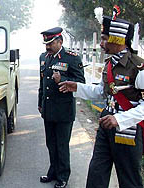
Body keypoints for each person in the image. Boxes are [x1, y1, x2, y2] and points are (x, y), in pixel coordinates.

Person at [59, 6, 144, 188]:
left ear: (117, 39)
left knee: (129, 179)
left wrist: (119, 119)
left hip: (127, 130)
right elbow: (101, 92)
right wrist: (77, 87)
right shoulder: (109, 64)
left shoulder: (138, 67)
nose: (101, 44)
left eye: (104, 39)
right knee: (96, 174)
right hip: (106, 124)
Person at [38, 27, 85, 188]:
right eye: (46, 44)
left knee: (62, 145)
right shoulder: (44, 57)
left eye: (50, 43)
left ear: (60, 42)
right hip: (48, 108)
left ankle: (63, 176)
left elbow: (81, 82)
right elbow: (42, 83)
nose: (47, 47)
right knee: (51, 143)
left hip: (64, 110)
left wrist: (62, 78)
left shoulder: (71, 58)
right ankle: (53, 172)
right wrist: (40, 102)